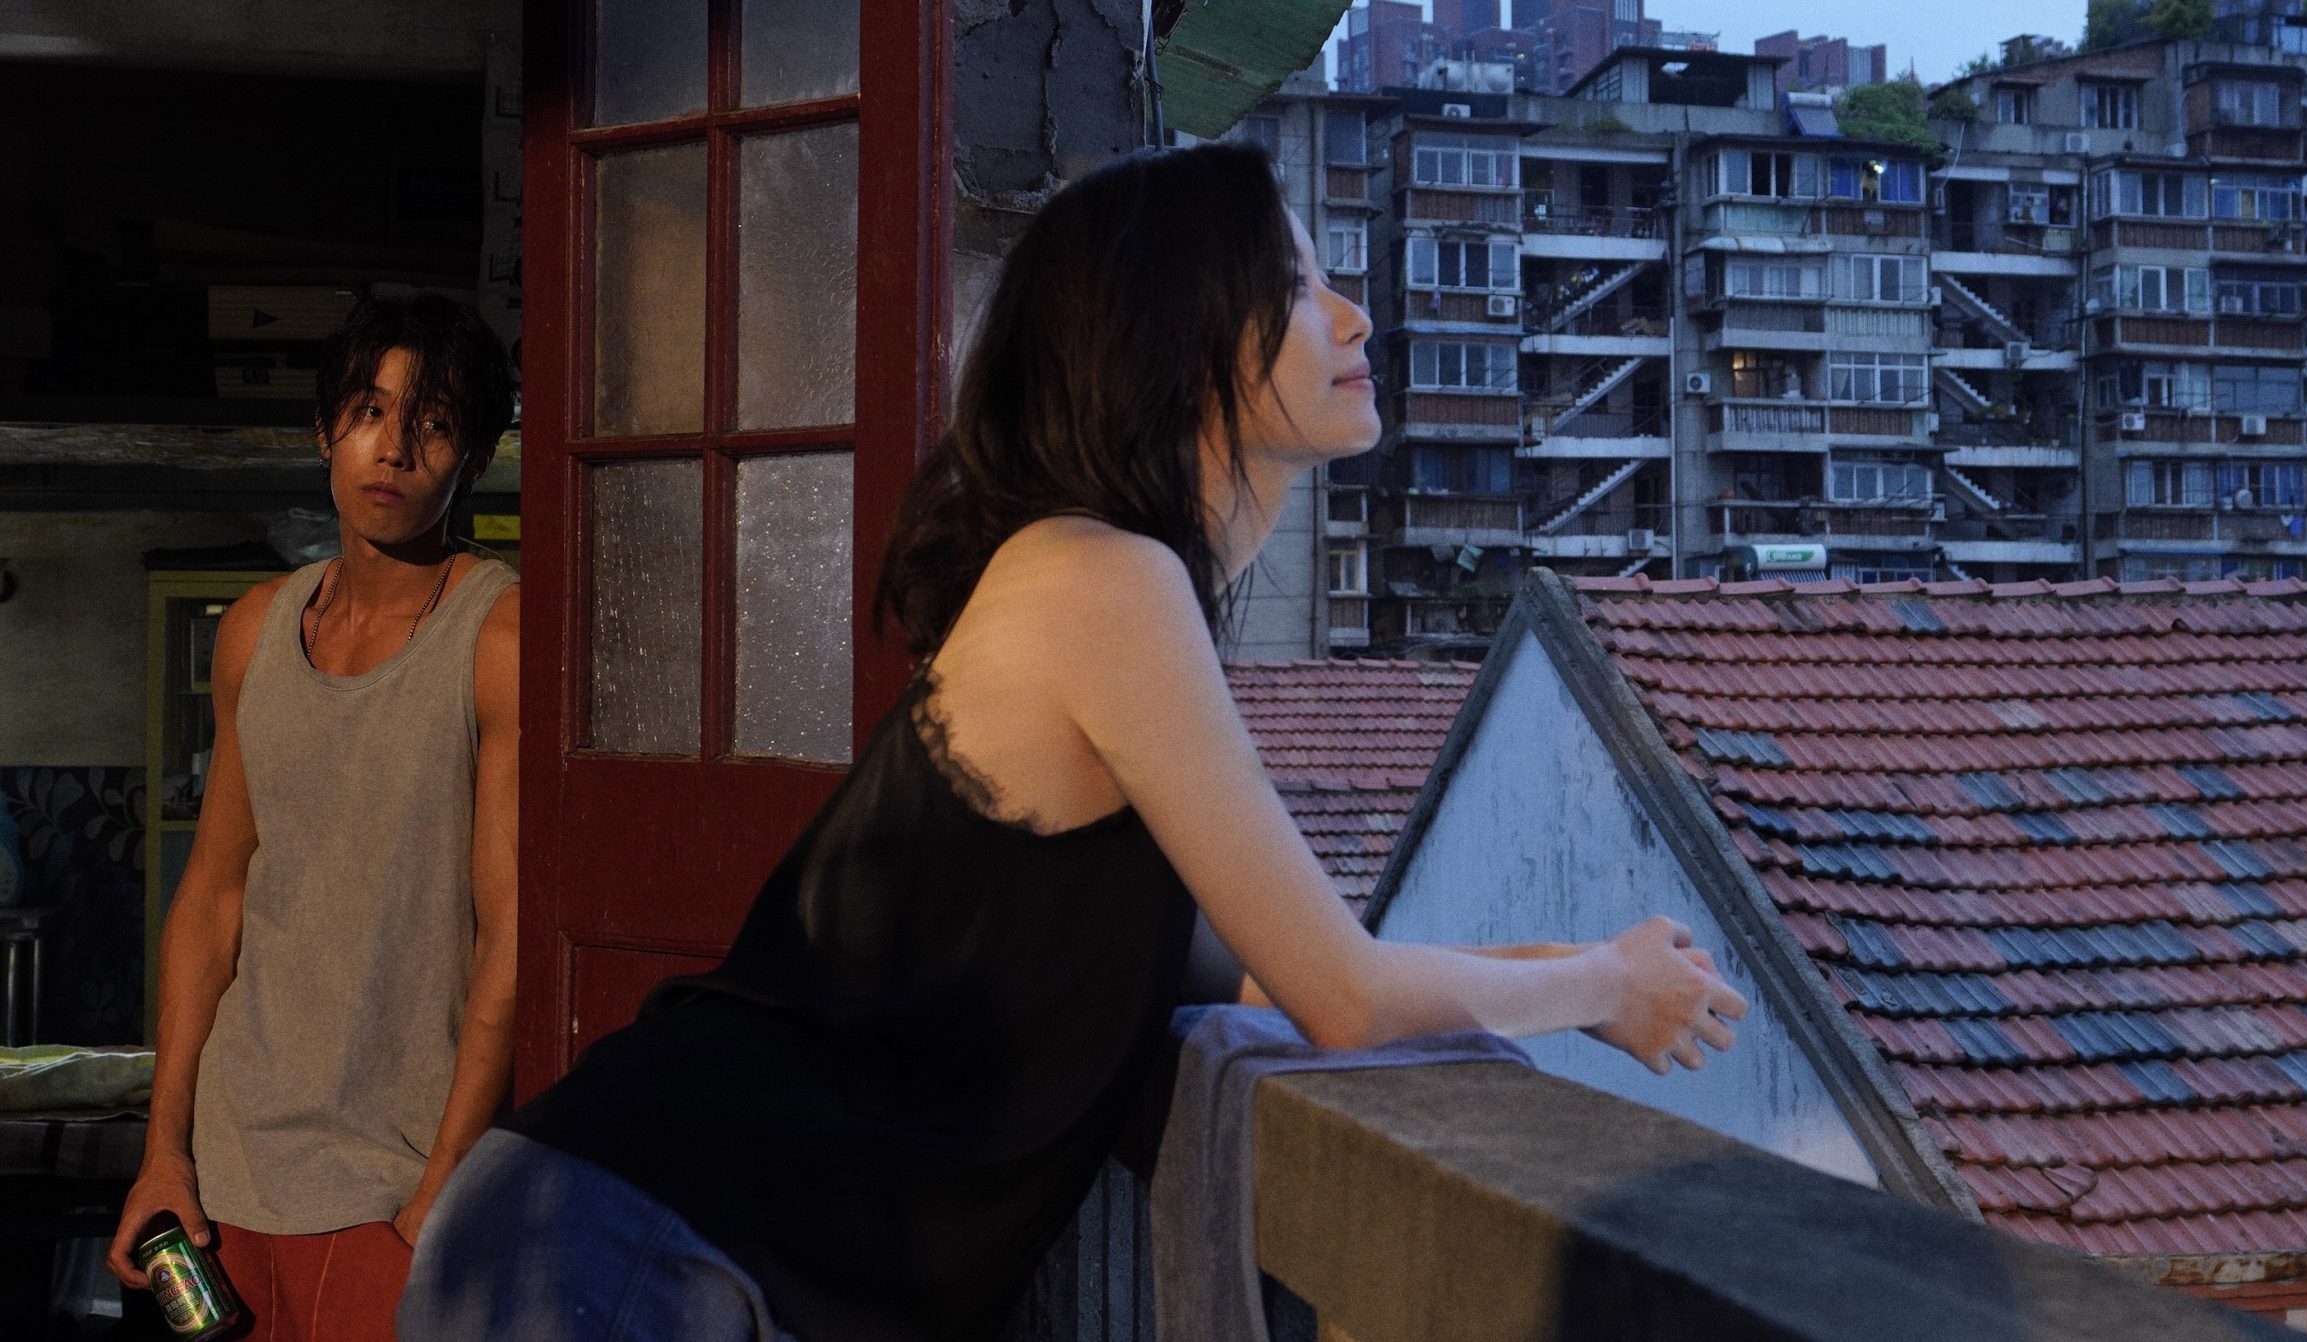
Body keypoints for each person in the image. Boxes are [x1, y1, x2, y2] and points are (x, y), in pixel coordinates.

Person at [399, 143, 1744, 1342]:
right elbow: (1344, 994)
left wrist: (1576, 965)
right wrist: (1597, 988)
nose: (1354, 316)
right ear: (1176, 334)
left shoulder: (1112, 591)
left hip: (660, 1238)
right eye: (1293, 288)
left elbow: (1279, 979)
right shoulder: (1101, 578)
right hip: (629, 1242)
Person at [108, 292, 521, 1342]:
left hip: (390, 1186)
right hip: (226, 1177)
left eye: (433, 424)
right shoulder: (256, 628)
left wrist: (445, 1181)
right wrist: (164, 1151)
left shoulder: (498, 635)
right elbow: (212, 899)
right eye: (370, 412)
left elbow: (511, 933)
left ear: (473, 457)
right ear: (326, 430)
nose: (395, 449)